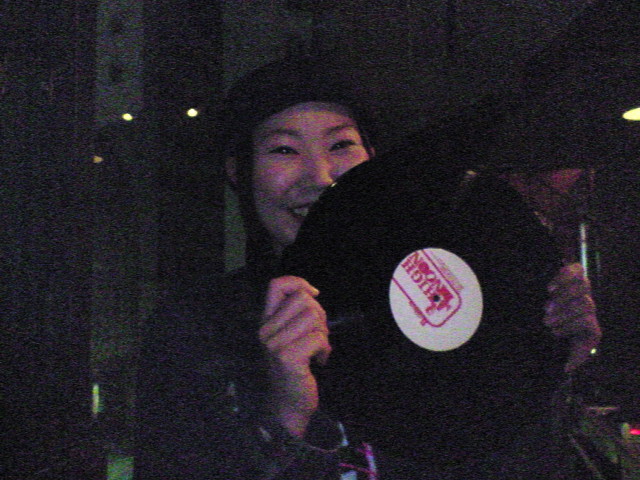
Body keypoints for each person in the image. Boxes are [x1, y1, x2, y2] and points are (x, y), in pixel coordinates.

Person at [135, 55, 601, 479]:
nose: (321, 177)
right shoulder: (192, 328)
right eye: (284, 150)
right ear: (240, 173)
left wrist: (545, 368)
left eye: (341, 145)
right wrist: (285, 420)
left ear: (374, 164)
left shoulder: (442, 285)